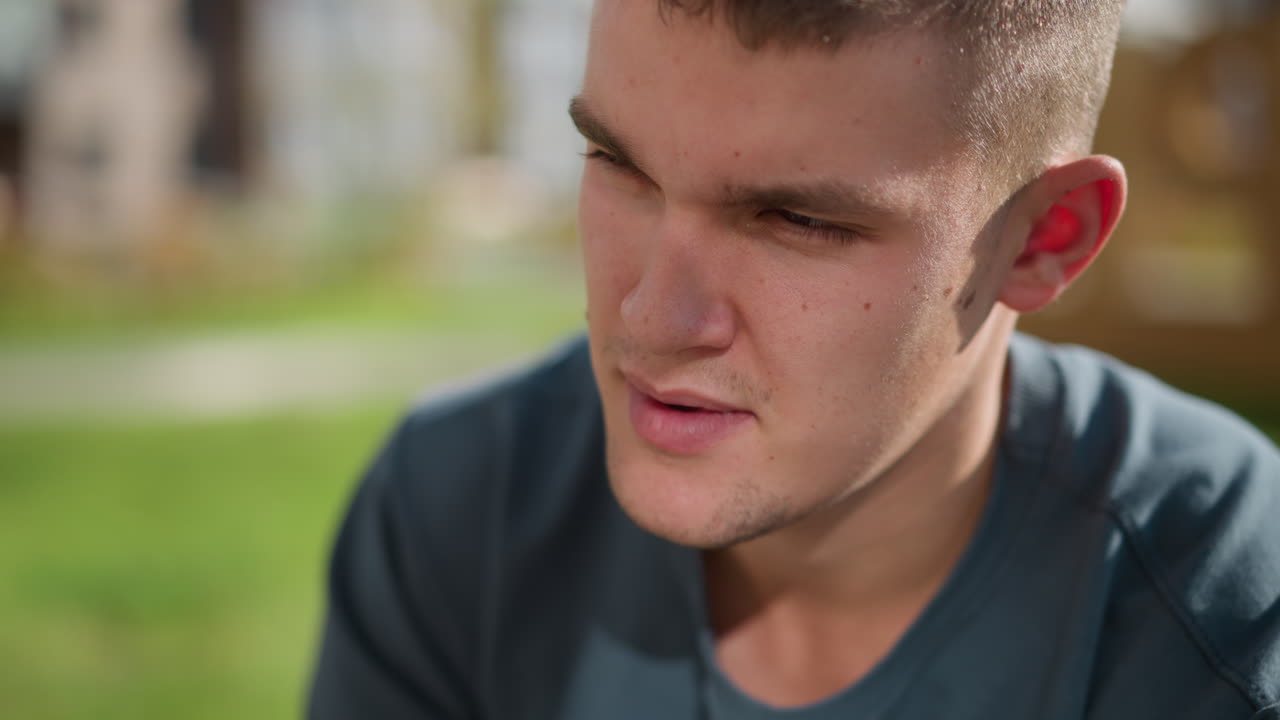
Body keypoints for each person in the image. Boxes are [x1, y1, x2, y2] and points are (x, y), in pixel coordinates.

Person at [308, 2, 1280, 718]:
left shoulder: (1218, 616)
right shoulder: (456, 512)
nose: (651, 318)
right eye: (617, 164)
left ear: (1041, 238)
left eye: (796, 220)